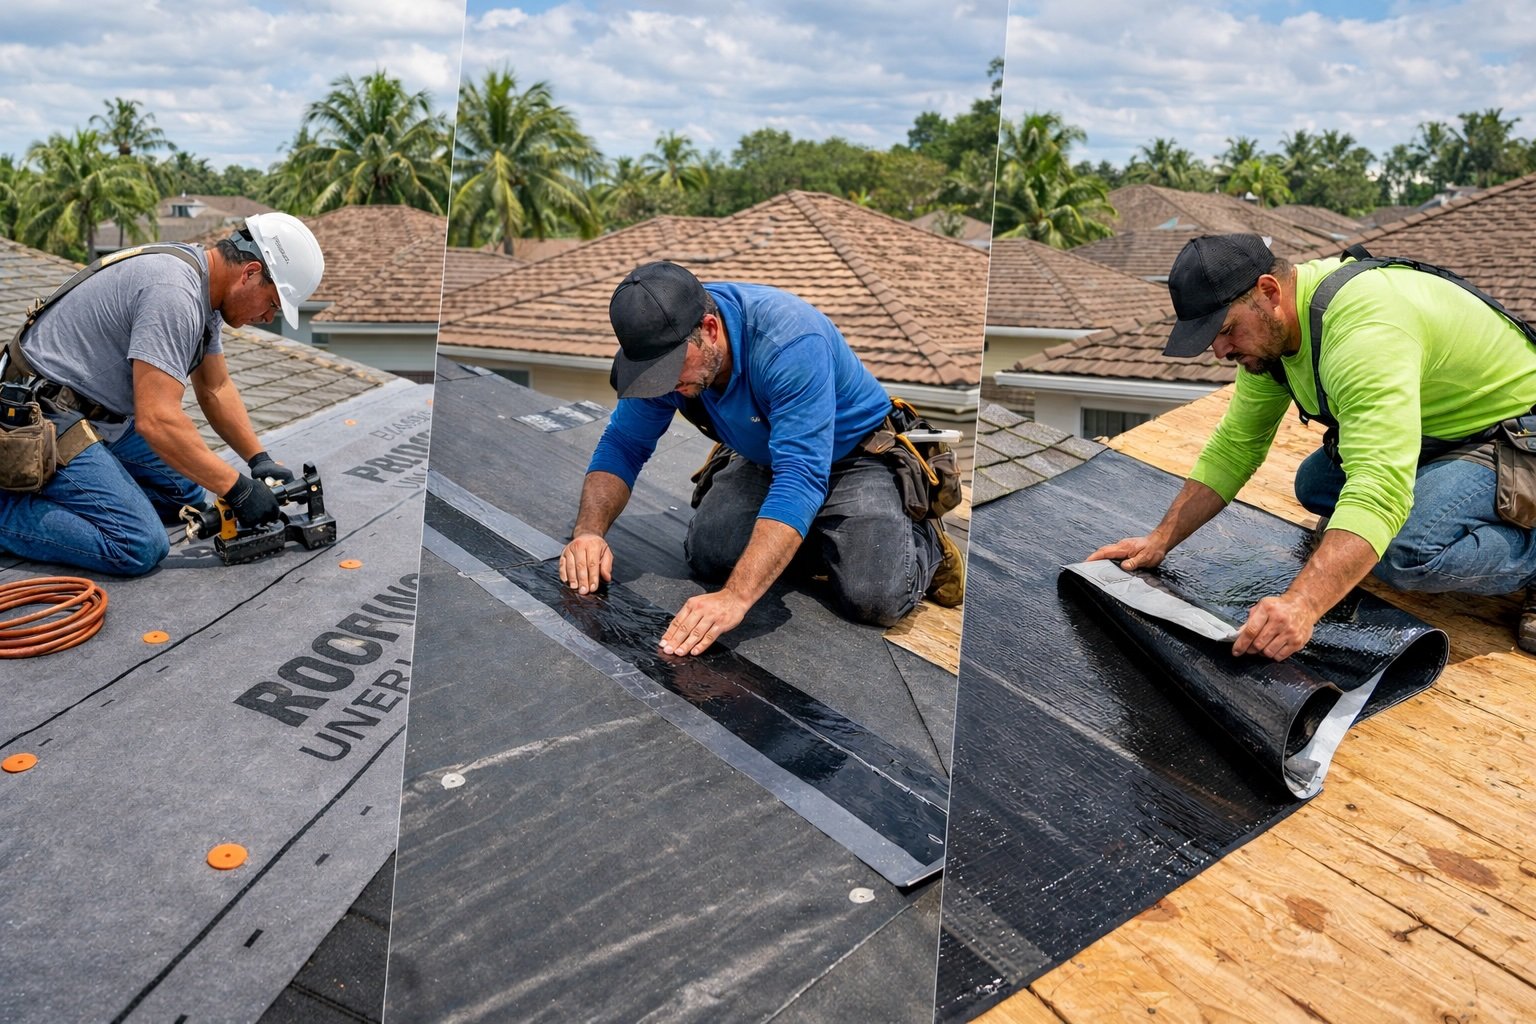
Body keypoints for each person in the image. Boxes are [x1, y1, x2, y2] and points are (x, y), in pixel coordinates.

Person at [1090, 232, 1536, 657]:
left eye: (1226, 330)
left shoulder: (1363, 333)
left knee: (1404, 549)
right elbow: (1235, 447)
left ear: (1268, 292)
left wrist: (1302, 604)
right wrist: (1159, 541)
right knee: (1316, 485)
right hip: (1442, 427)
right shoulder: (1275, 337)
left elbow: (1380, 488)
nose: (1221, 351)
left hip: (1517, 431)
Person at [558, 260, 963, 657]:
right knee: (710, 554)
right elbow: (624, 444)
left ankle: (924, 543)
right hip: (769, 454)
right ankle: (813, 536)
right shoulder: (666, 344)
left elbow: (801, 476)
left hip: (855, 457)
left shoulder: (789, 343)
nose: (667, 386)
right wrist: (589, 533)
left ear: (710, 330)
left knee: (874, 596)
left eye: (671, 372)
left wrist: (735, 598)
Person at [0, 212, 325, 576]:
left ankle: (78, 491)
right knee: (138, 543)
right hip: (40, 417)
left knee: (183, 494)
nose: (268, 317)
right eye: (273, 304)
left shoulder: (205, 288)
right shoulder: (174, 292)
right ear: (249, 273)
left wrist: (258, 459)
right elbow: (157, 420)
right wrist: (238, 490)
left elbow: (215, 388)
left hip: (97, 416)